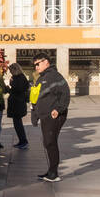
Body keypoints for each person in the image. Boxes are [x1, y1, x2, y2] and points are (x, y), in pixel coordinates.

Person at [31, 53, 70, 182]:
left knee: (50, 142)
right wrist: (35, 114)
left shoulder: (54, 76)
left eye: (38, 64)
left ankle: (54, 173)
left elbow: (65, 94)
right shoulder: (42, 78)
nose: (36, 67)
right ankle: (51, 171)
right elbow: (36, 97)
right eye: (35, 65)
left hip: (53, 116)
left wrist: (58, 109)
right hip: (45, 116)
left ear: (46, 62)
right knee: (48, 142)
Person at [4, 62, 30, 149]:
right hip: (17, 104)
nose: (10, 72)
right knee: (17, 124)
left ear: (15, 69)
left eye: (11, 70)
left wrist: (10, 86)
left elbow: (18, 90)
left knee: (18, 124)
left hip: (18, 104)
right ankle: (21, 141)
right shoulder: (19, 77)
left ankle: (24, 141)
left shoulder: (20, 78)